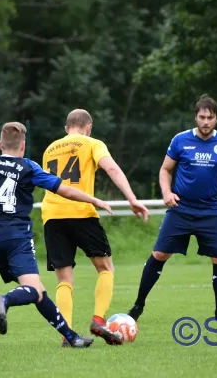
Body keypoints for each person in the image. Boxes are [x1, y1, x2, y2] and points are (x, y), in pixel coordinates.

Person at [0, 122, 114, 348]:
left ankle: (72, 338)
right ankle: (5, 300)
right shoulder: (28, 167)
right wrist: (93, 199)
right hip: (16, 239)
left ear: (0, 144)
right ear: (23, 146)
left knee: (38, 291)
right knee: (33, 290)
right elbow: (64, 189)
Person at [127, 94, 217, 323]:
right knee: (159, 254)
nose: (205, 122)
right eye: (201, 117)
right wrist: (166, 192)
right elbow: (165, 170)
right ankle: (138, 305)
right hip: (180, 209)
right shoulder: (180, 140)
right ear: (195, 117)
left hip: (210, 211)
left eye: (210, 118)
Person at [40, 109, 150, 346]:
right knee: (105, 267)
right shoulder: (92, 143)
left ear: (66, 128)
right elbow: (111, 169)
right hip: (81, 212)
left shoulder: (49, 149)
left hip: (52, 214)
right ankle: (98, 320)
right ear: (88, 127)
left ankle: (66, 335)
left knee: (64, 278)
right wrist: (132, 198)